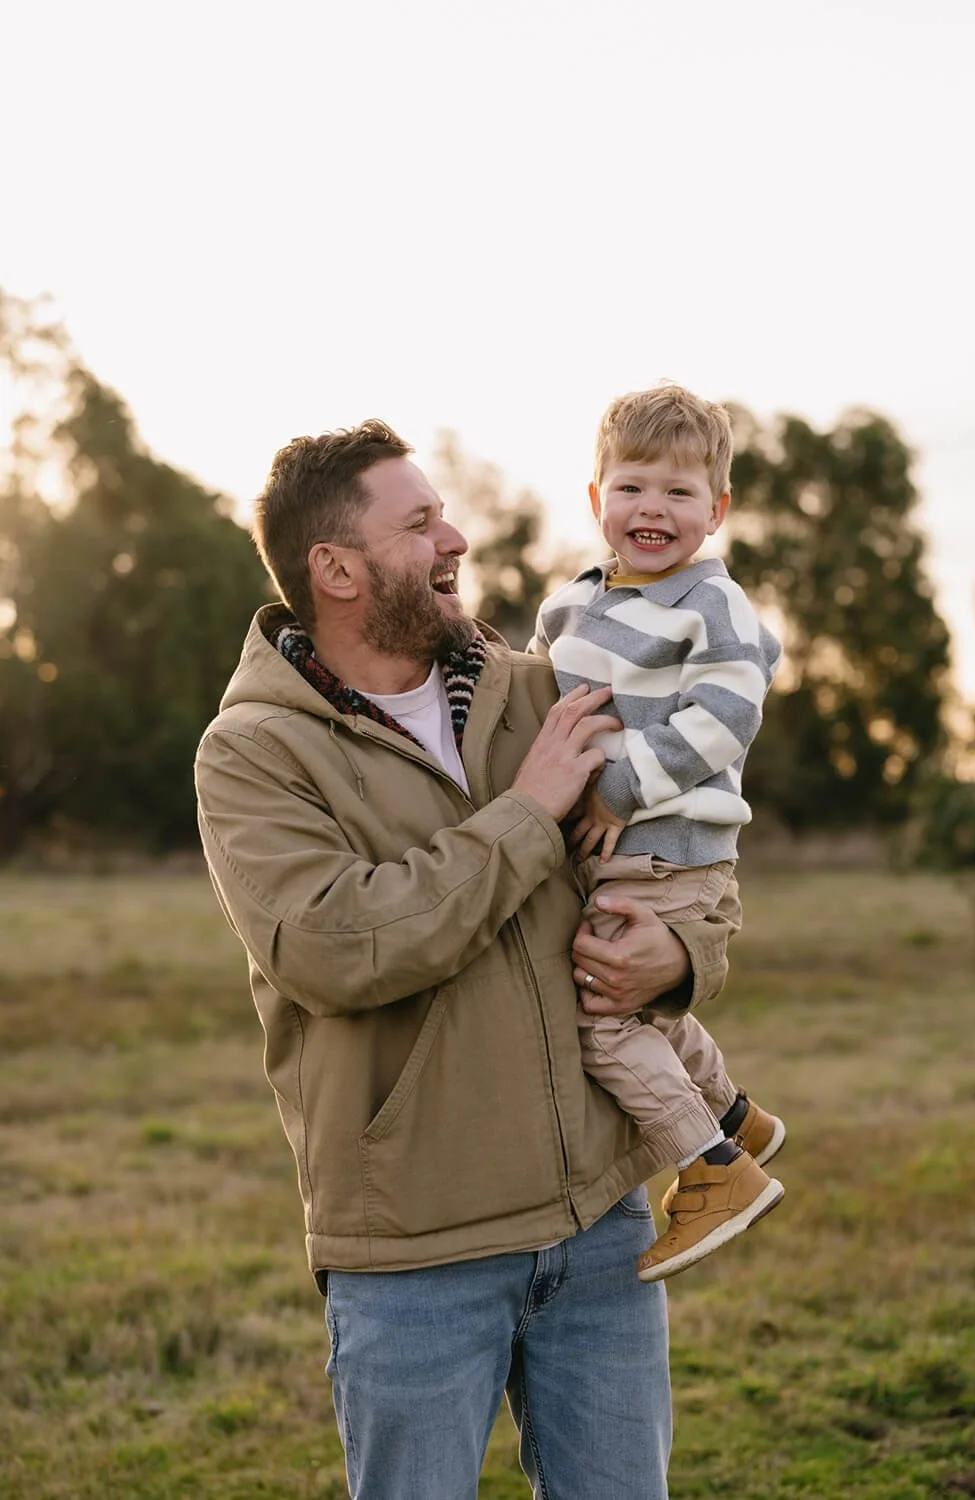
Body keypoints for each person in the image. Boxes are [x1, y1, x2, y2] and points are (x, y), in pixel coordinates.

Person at [195, 419, 743, 1500]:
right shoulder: (255, 751)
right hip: (413, 1251)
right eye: (418, 523)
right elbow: (338, 945)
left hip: (600, 1230)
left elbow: (695, 850)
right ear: (337, 569)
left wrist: (680, 956)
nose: (454, 535)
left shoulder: (542, 688)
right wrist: (529, 811)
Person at [529, 383, 785, 1282]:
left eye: (680, 494)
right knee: (631, 1002)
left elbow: (723, 719)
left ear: (716, 511)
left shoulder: (712, 606)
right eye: (633, 487)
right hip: (611, 852)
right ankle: (733, 1114)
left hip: (667, 847)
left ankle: (713, 1168)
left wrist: (617, 789)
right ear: (597, 500)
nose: (654, 510)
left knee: (605, 1018)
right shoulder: (570, 606)